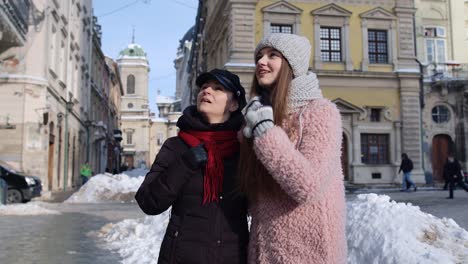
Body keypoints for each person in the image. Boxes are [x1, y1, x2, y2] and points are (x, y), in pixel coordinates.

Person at [239, 33, 347, 263]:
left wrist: (265, 132)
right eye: (259, 56)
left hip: (308, 253)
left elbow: (308, 185)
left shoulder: (320, 112)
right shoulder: (261, 115)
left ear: (291, 64)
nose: (261, 61)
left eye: (273, 55)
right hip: (264, 250)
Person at [135, 69, 248, 264]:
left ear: (234, 104)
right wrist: (186, 163)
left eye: (218, 88)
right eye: (204, 87)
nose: (207, 91)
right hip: (182, 256)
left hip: (233, 256)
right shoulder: (176, 146)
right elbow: (149, 202)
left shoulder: (244, 150)